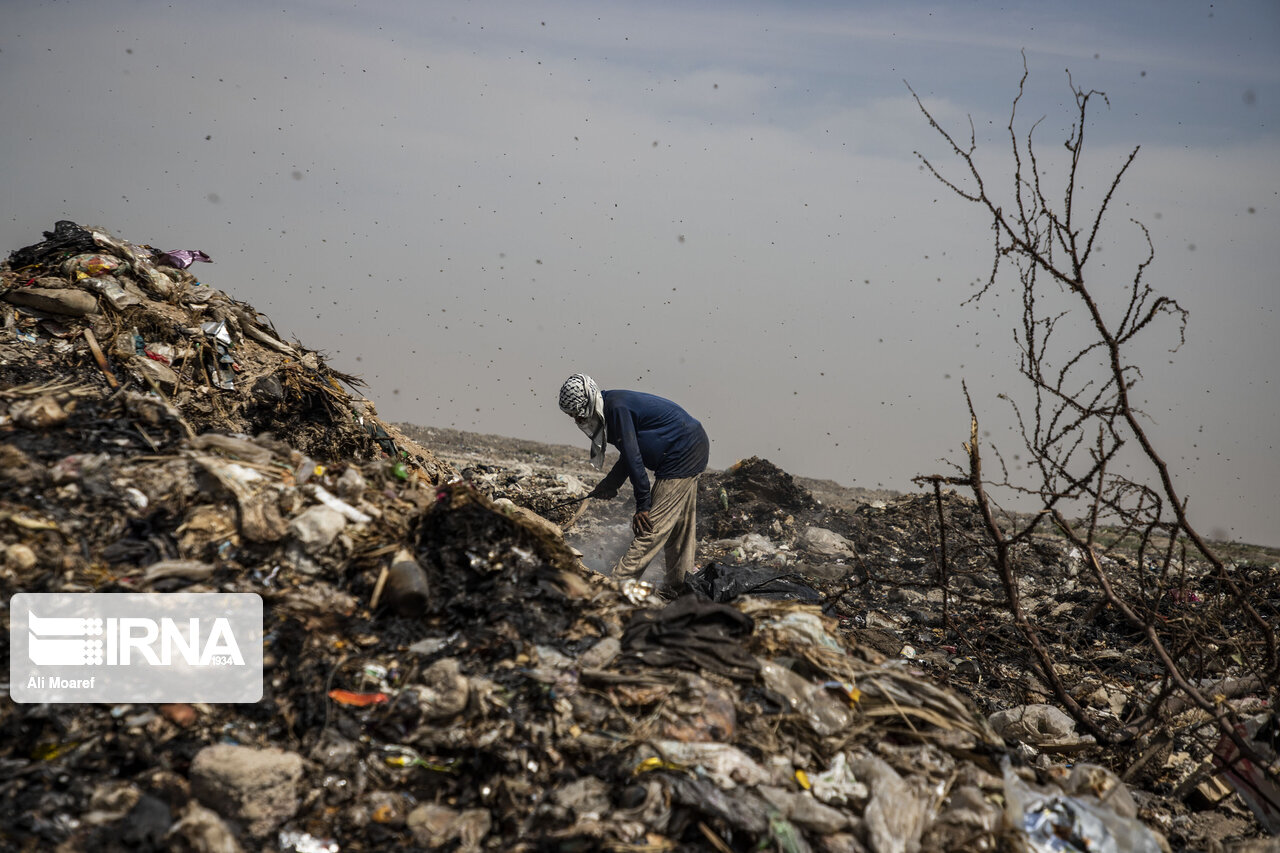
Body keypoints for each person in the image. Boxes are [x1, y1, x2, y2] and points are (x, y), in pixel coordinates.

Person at [558, 373, 710, 592]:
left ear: (590, 401)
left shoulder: (617, 409)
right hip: (691, 446)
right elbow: (629, 454)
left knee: (651, 527)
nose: (577, 420)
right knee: (679, 527)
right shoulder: (610, 408)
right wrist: (611, 484)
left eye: (578, 414)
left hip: (682, 452)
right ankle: (680, 585)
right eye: (572, 416)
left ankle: (615, 587)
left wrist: (643, 506)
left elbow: (633, 457)